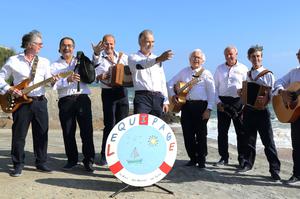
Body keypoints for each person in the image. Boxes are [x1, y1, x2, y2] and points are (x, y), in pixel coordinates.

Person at [0, 30, 58, 177]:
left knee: (42, 133)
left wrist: (54, 81)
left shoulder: (44, 62)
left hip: (39, 101)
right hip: (21, 103)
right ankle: (18, 164)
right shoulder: (14, 60)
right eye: (39, 44)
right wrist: (10, 89)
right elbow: (1, 78)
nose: (42, 46)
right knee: (19, 135)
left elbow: (50, 83)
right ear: (30, 45)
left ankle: (41, 162)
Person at [51, 37, 95, 172]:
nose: (67, 48)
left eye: (69, 45)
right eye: (64, 45)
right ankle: (72, 160)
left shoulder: (81, 60)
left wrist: (96, 55)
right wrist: (67, 80)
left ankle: (89, 160)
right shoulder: (54, 66)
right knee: (68, 132)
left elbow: (92, 73)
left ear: (73, 48)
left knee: (87, 131)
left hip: (82, 98)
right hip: (65, 100)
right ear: (59, 48)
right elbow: (53, 84)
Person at [239, 45, 281, 181]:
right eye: (253, 56)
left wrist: (267, 98)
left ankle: (274, 169)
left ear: (261, 57)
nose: (256, 58)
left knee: (268, 142)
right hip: (249, 111)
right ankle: (248, 164)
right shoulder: (247, 74)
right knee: (249, 140)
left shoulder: (268, 74)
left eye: (258, 56)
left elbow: (274, 92)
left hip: (262, 111)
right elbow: (245, 91)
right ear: (249, 58)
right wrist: (241, 93)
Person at [168, 49, 215, 169]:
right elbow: (170, 83)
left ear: (203, 60)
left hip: (201, 107)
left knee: (201, 134)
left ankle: (202, 159)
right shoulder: (183, 72)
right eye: (194, 57)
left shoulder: (206, 74)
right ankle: (193, 158)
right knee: (188, 134)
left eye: (198, 57)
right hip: (186, 106)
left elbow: (212, 93)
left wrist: (209, 109)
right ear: (190, 59)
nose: (196, 59)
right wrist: (173, 95)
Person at [92, 34, 129, 166]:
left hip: (122, 92)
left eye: (111, 44)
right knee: (109, 124)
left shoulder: (123, 56)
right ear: (102, 44)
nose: (109, 46)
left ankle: (121, 154)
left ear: (115, 44)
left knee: (123, 125)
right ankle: (105, 155)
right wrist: (101, 75)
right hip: (107, 92)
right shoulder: (99, 58)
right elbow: (94, 70)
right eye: (106, 44)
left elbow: (130, 71)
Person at [213, 46, 248, 168]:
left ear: (236, 54)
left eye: (231, 54)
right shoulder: (219, 69)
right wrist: (217, 102)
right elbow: (214, 88)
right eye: (227, 54)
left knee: (241, 132)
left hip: (238, 102)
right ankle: (224, 157)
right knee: (222, 132)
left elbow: (247, 88)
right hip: (222, 102)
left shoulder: (244, 69)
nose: (229, 56)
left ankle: (242, 159)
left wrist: (244, 102)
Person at [128, 29, 173, 118]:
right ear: (140, 42)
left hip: (158, 97)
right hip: (142, 97)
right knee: (141, 126)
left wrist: (166, 100)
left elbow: (162, 80)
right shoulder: (133, 57)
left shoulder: (157, 58)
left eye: (152, 42)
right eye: (147, 42)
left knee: (155, 129)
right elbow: (142, 64)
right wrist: (158, 59)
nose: (151, 44)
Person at [273, 49, 300, 185]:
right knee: (297, 146)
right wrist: (282, 92)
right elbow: (277, 82)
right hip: (296, 114)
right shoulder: (294, 72)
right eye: (299, 55)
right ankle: (297, 174)